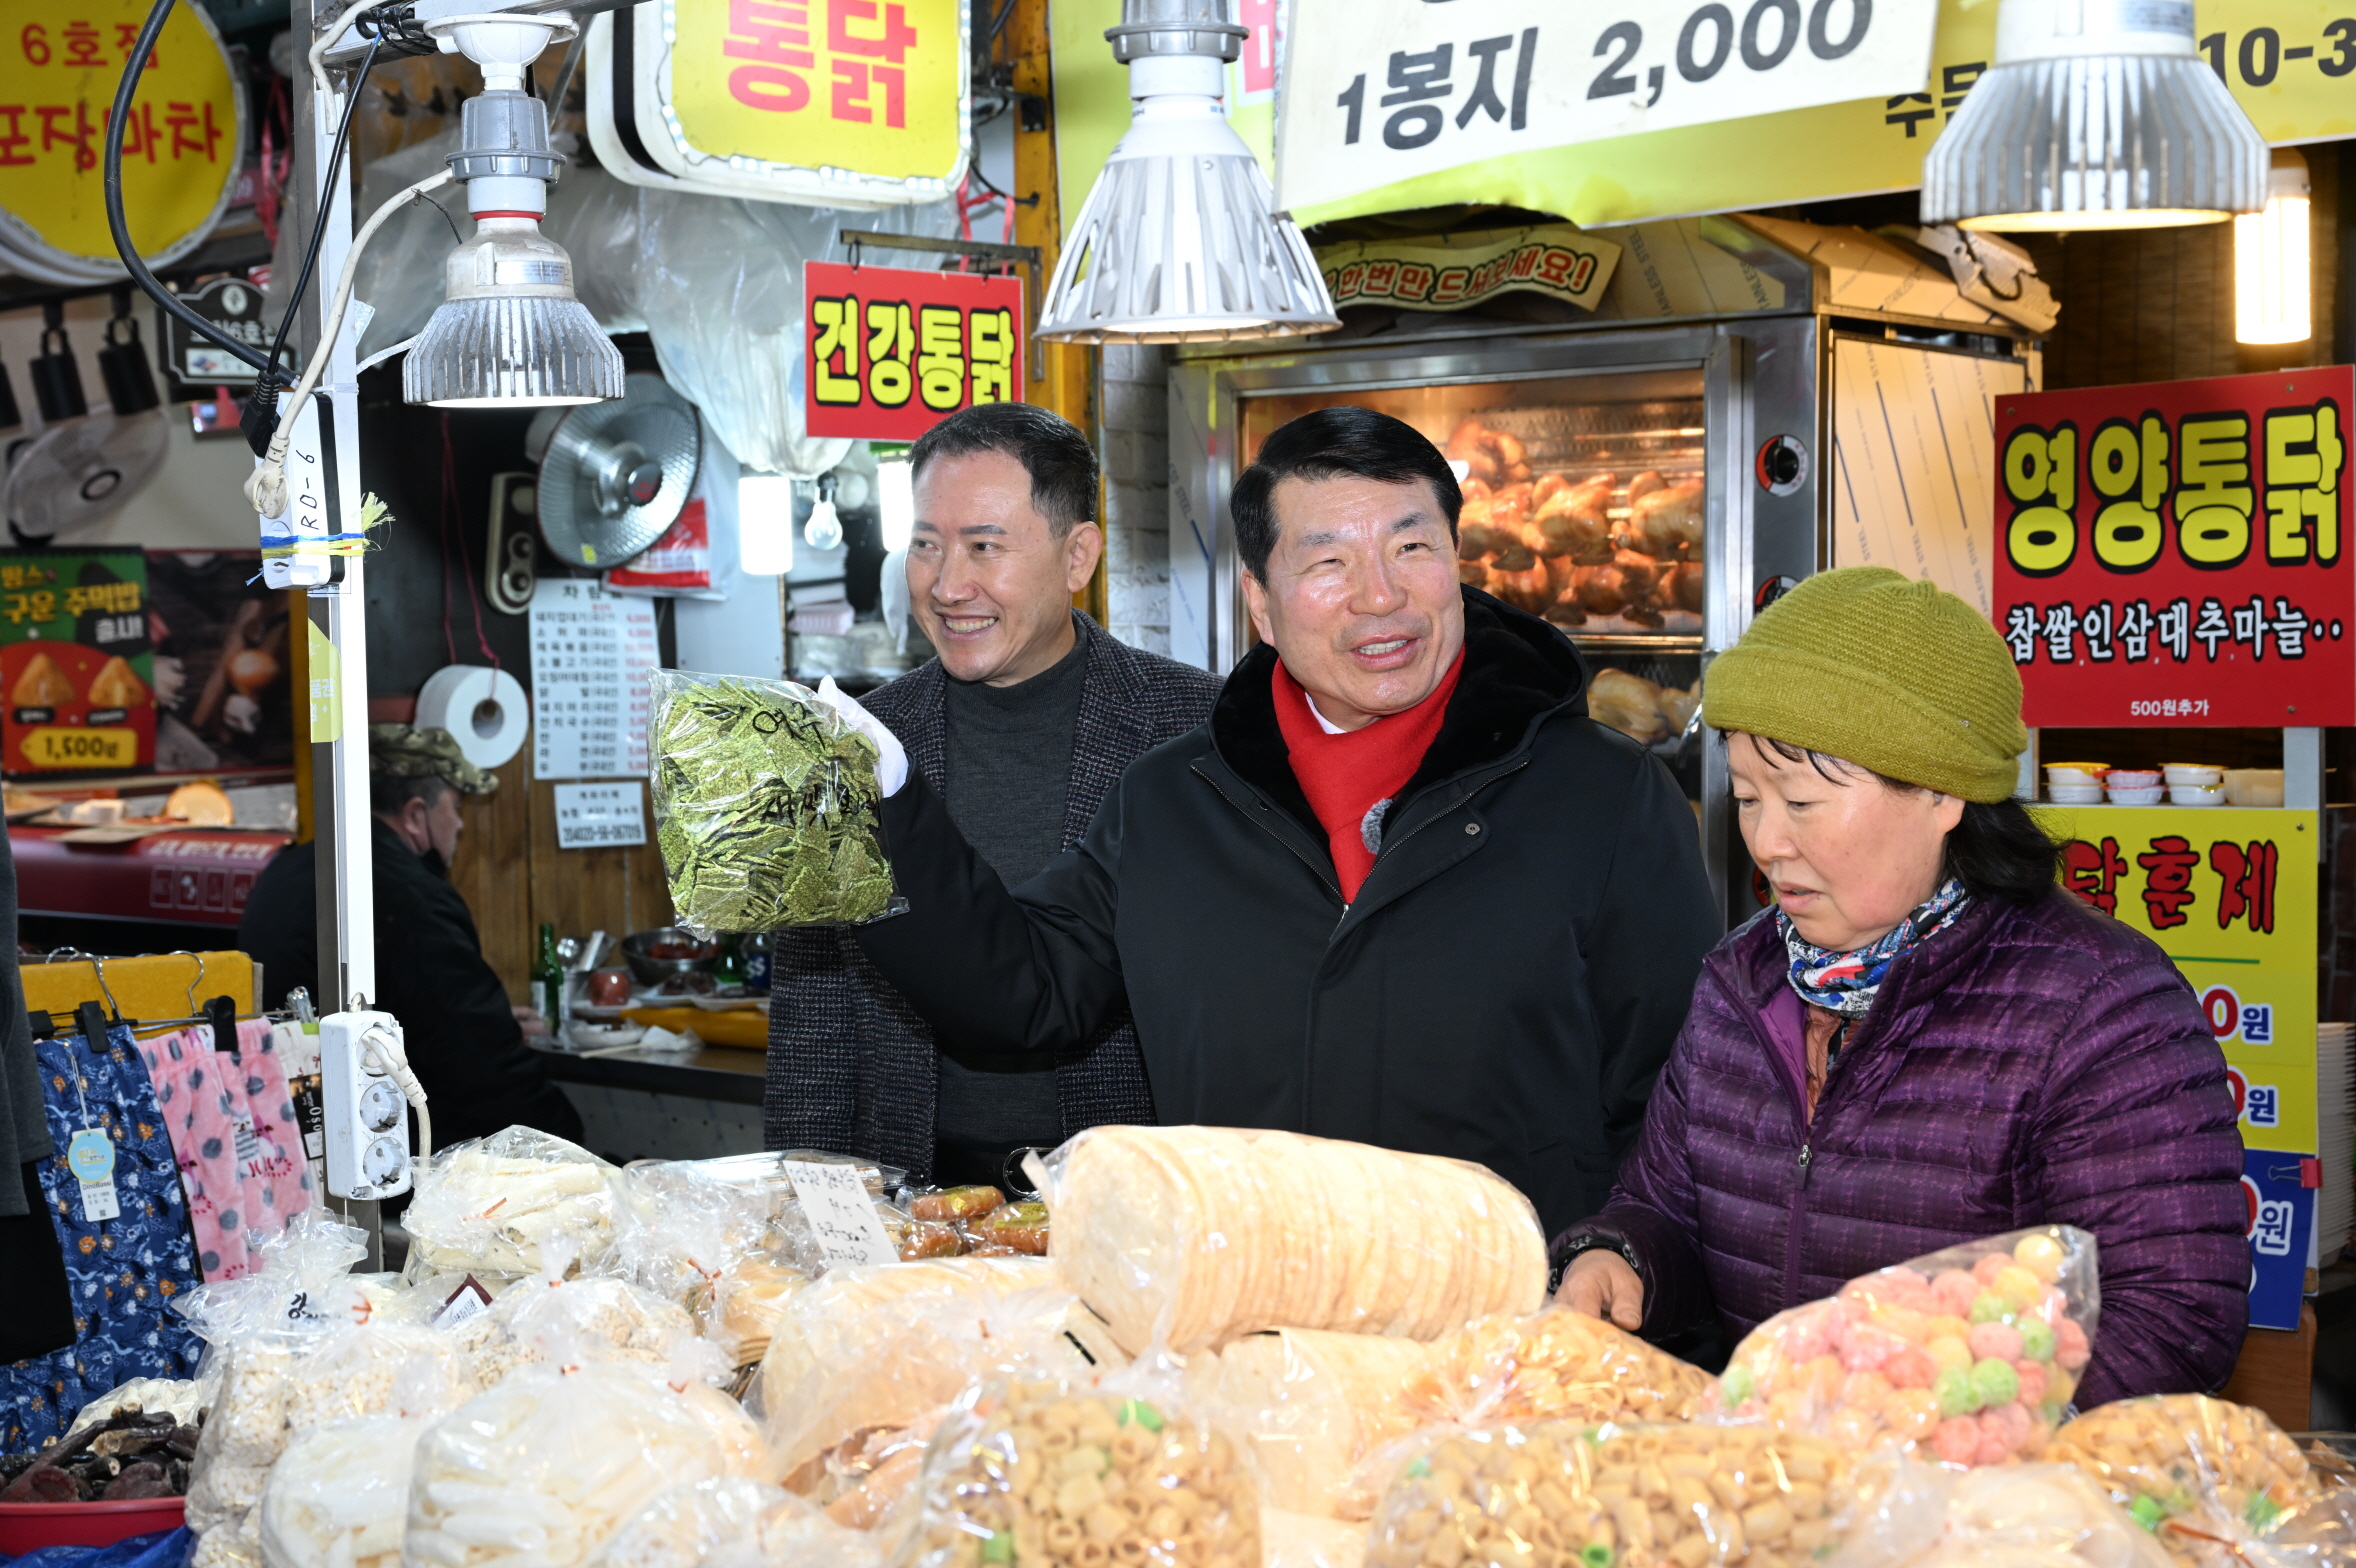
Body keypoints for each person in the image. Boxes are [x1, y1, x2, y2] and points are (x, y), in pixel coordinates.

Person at [825, 406, 1720, 1235]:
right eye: (1329, 562)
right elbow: (1021, 993)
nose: (1381, 597)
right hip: (1250, 1322)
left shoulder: (1601, 796)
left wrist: (1629, 1252)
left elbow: (1685, 1097)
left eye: (1413, 548)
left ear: (1458, 561)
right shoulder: (1174, 802)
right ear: (1261, 602)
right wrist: (888, 803)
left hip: (1505, 1338)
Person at [1551, 567, 2247, 1405]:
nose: (1767, 842)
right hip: (1791, 1493)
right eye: (1744, 799)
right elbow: (1669, 1210)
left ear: (1941, 792)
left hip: (1990, 1514)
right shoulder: (1744, 982)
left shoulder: (2102, 1007)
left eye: (1802, 802)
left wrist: (1919, 1412)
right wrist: (1616, 1257)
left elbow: (2174, 1320)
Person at [767, 404, 1221, 1187]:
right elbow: (815, 1004)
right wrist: (808, 1195)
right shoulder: (860, 743)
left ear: (1078, 556)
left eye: (984, 547)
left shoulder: (1195, 727)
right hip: (910, 1187)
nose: (948, 585)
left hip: (1134, 1192)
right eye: (925, 546)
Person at [238, 723, 584, 1147]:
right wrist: (568, 1141)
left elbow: (419, 1011)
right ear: (416, 814)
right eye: (455, 807)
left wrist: (489, 1020)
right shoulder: (411, 897)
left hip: (291, 1131)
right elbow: (477, 1064)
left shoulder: (287, 870)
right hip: (380, 1155)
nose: (458, 825)